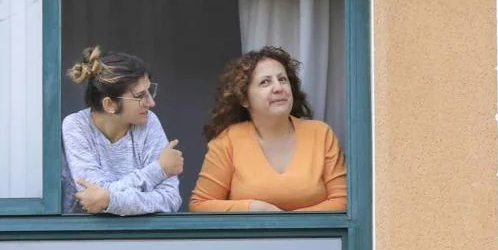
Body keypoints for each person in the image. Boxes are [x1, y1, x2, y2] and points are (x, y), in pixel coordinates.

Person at [189, 46, 347, 212]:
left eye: (282, 79)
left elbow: (342, 202)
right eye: (265, 82)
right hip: (252, 238)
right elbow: (200, 205)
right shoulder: (228, 141)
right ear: (244, 99)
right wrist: (253, 208)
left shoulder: (321, 134)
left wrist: (289, 222)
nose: (278, 88)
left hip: (319, 238)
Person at [61, 46, 183, 215]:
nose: (151, 103)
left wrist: (109, 201)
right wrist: (159, 169)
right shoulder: (76, 126)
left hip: (144, 237)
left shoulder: (149, 122)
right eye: (140, 96)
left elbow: (170, 199)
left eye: (150, 91)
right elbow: (92, 197)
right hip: (87, 238)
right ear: (110, 105)